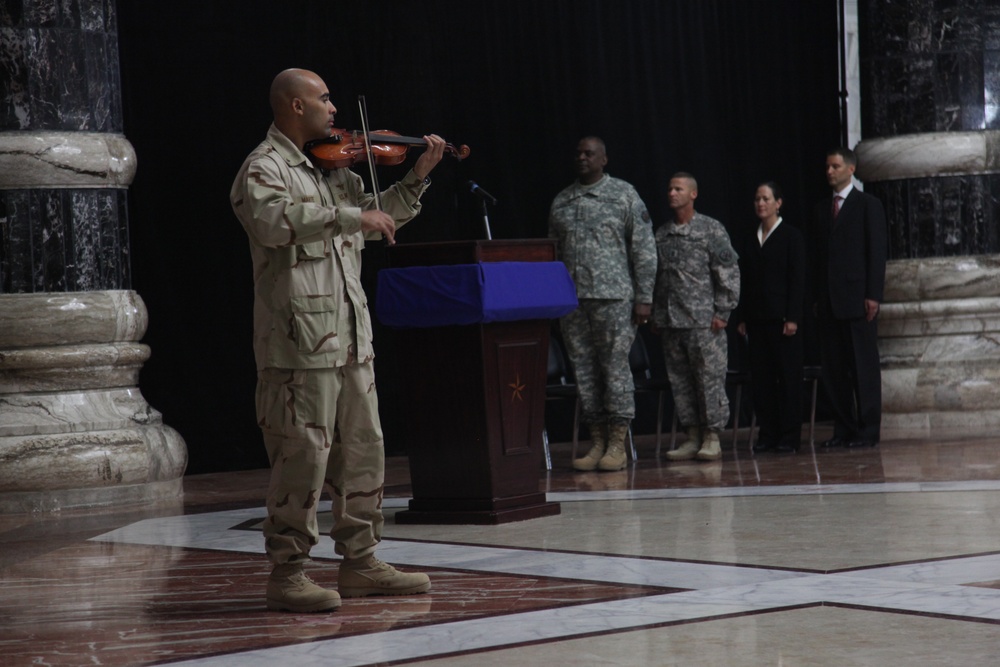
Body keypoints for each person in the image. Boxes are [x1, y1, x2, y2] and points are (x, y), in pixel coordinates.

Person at [230, 68, 446, 613]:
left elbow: (379, 220)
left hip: (351, 341)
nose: (334, 109)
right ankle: (288, 572)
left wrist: (416, 176)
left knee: (364, 453)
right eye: (323, 99)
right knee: (302, 457)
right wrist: (354, 213)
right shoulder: (265, 167)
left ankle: (362, 562)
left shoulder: (336, 169)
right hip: (298, 346)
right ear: (294, 106)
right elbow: (274, 222)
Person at [548, 136, 657, 472]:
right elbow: (552, 254)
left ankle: (617, 443)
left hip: (614, 297)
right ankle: (596, 441)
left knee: (614, 368)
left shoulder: (623, 195)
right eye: (578, 153)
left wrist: (644, 297)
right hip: (574, 301)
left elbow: (643, 248)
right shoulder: (563, 201)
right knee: (584, 370)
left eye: (589, 153)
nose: (582, 158)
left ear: (604, 159)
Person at [653, 173, 740, 462]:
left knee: (709, 379)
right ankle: (692, 435)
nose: (672, 193)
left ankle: (712, 436)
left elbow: (727, 271)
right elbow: (657, 279)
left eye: (678, 189)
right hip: (671, 321)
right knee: (680, 381)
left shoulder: (710, 229)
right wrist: (656, 314)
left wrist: (723, 311)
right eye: (670, 188)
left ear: (693, 194)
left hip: (704, 322)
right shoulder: (662, 234)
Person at [809, 147, 887, 449]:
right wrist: (817, 297)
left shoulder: (867, 205)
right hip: (829, 301)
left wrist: (873, 295)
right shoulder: (821, 210)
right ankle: (843, 428)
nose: (830, 171)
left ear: (851, 169)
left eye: (836, 166)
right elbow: (819, 258)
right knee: (835, 370)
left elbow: (876, 252)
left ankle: (868, 429)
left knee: (863, 367)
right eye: (827, 167)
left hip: (857, 300)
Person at [734, 182, 806, 453]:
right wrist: (741, 316)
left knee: (787, 379)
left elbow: (797, 280)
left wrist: (793, 317)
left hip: (783, 320)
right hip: (756, 319)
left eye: (765, 198)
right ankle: (767, 434)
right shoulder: (749, 237)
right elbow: (744, 280)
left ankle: (789, 436)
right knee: (762, 380)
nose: (760, 203)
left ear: (778, 203)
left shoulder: (791, 236)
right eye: (756, 199)